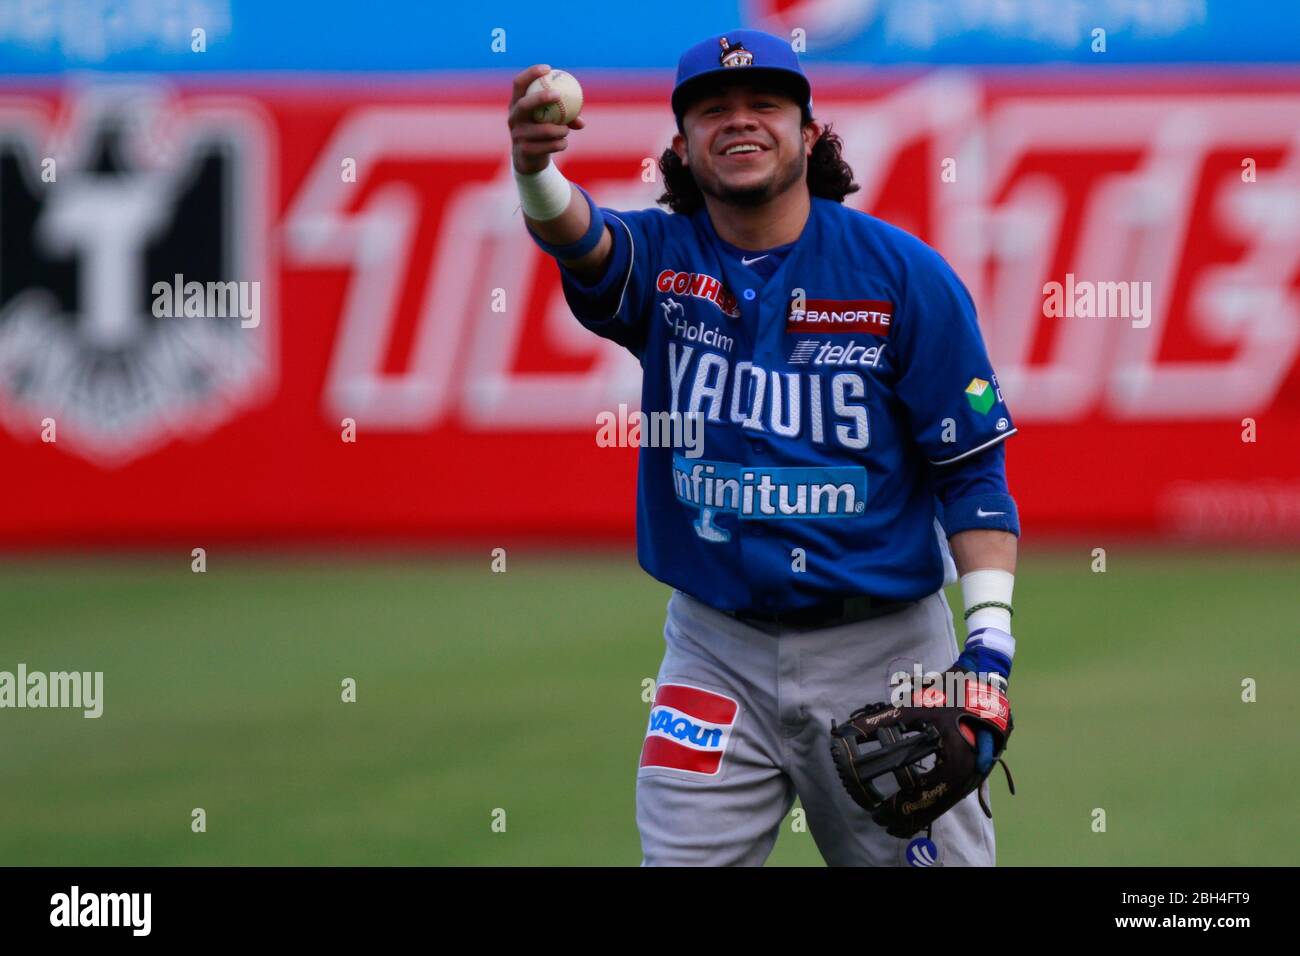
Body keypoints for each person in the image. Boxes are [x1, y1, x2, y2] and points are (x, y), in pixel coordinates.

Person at [507, 29, 1020, 867]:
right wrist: (534, 168)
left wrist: (989, 651)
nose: (739, 122)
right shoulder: (666, 261)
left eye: (765, 106)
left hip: (887, 650)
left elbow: (972, 472)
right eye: (713, 110)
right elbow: (580, 237)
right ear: (681, 147)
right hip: (715, 653)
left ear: (809, 133)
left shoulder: (902, 275)